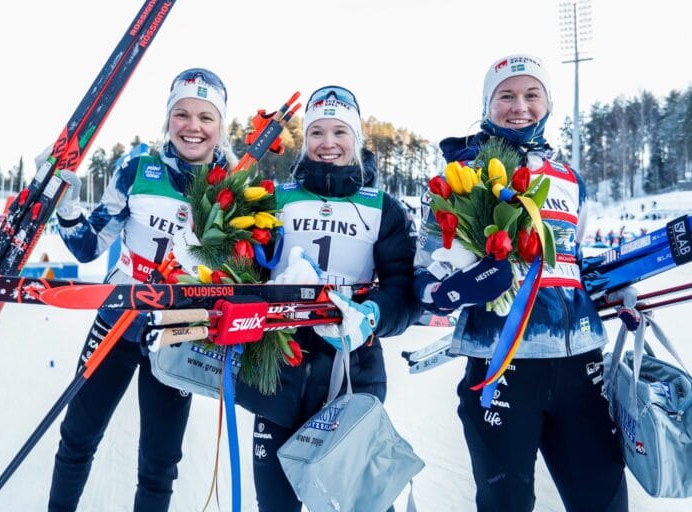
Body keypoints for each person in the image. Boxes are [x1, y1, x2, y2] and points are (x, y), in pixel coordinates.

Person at [414, 55, 628, 511]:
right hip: (501, 365)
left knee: (605, 499)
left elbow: (574, 264)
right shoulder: (462, 176)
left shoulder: (571, 180)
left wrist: (617, 287)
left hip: (579, 366)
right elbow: (425, 274)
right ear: (486, 104)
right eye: (505, 96)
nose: (520, 106)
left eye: (532, 95)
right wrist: (454, 288)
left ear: (548, 102)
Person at [47, 68, 237, 511]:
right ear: (168, 118)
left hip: (177, 331)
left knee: (160, 462)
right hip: (118, 317)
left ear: (221, 125)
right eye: (182, 114)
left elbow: (240, 274)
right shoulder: (137, 169)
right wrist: (69, 210)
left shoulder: (235, 186)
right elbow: (91, 246)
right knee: (77, 435)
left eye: (206, 118)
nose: (193, 127)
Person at [236, 85, 420, 512]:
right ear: (305, 140)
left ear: (357, 138)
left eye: (340, 132)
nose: (328, 143)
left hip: (352, 373)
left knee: (358, 503)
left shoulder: (383, 208)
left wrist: (370, 316)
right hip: (278, 375)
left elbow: (404, 294)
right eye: (317, 132)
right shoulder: (273, 199)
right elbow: (242, 273)